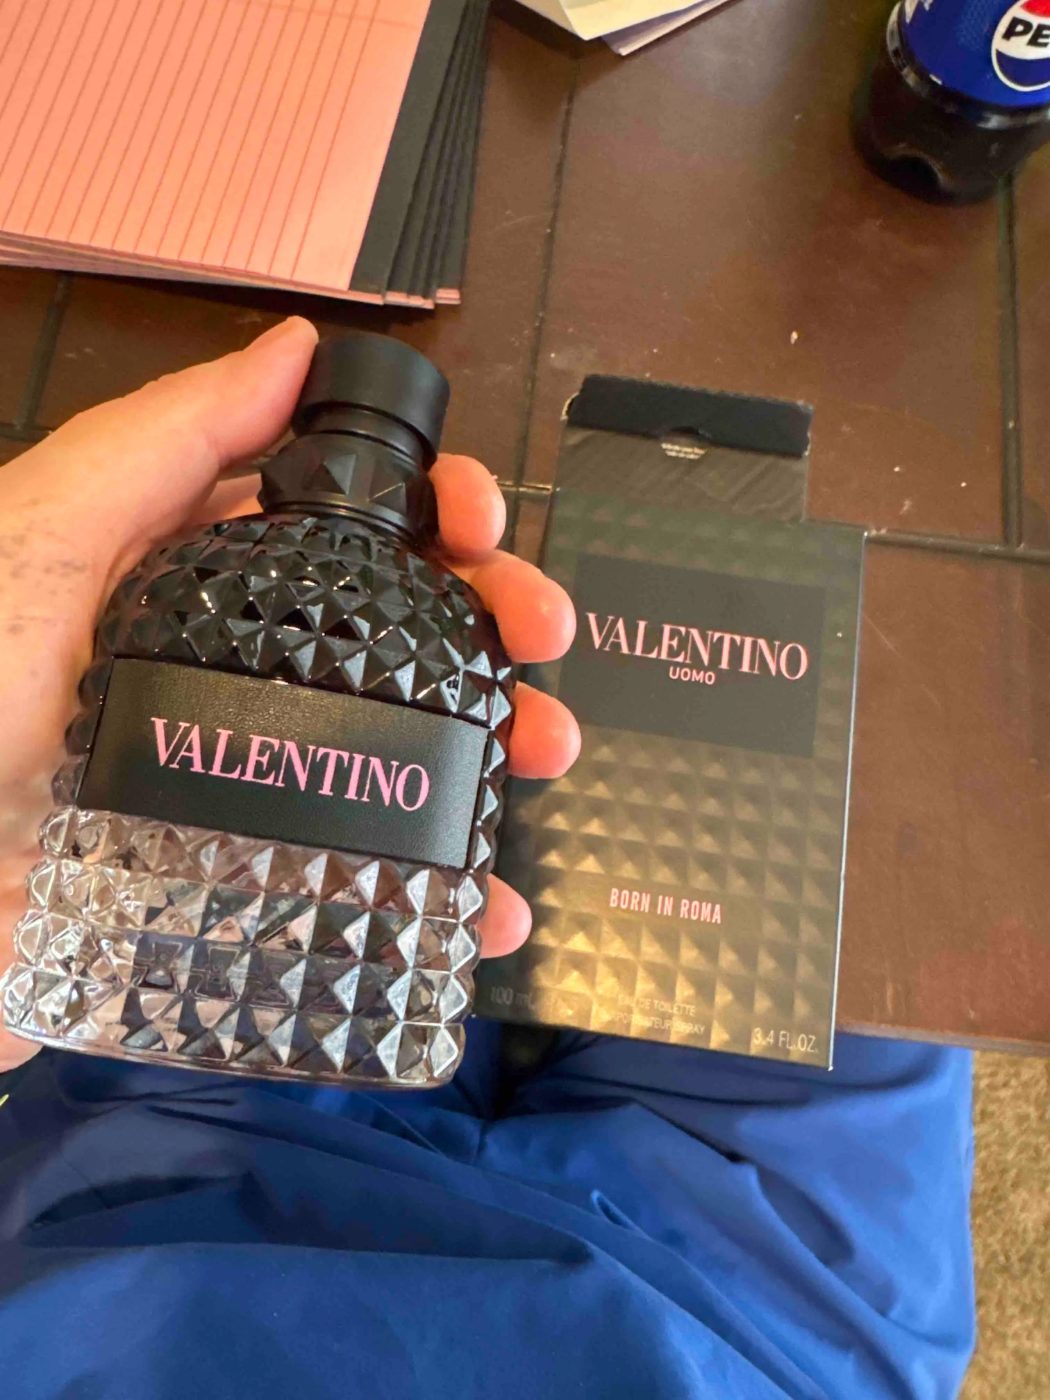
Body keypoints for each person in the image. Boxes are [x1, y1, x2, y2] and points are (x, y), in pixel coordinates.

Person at [0, 320, 974, 1399]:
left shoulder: (196, 578)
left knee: (559, 790)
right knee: (848, 876)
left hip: (145, 1166)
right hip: (739, 1318)